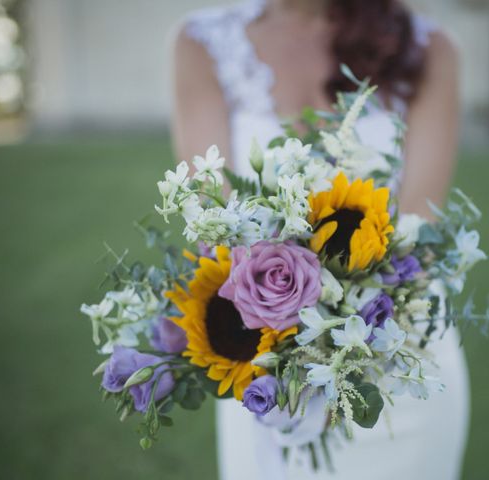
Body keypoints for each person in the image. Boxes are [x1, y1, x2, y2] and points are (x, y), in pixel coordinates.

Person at [171, 0, 469, 478]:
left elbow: (419, 227)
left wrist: (339, 330)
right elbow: (215, 221)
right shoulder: (203, 44)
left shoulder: (428, 49)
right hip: (267, 365)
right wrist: (288, 334)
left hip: (400, 355)